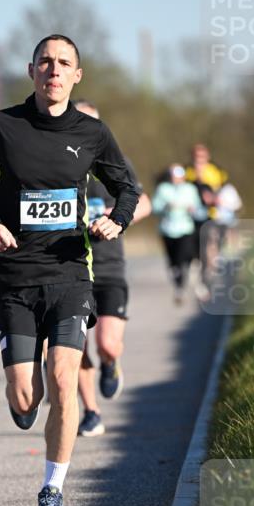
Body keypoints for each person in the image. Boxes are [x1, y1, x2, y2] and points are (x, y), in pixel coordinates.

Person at [0, 35, 139, 506]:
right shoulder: (2, 125)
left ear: (77, 75)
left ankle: (52, 489)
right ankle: (22, 394)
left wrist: (116, 221)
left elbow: (127, 187)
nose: (54, 70)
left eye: (64, 64)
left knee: (64, 381)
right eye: (46, 62)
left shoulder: (93, 132)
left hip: (69, 277)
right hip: (15, 277)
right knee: (26, 397)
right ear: (31, 70)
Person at [73, 99, 151, 438]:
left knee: (106, 343)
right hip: (72, 267)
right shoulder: (57, 165)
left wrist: (117, 219)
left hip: (109, 267)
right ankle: (90, 411)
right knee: (74, 345)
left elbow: (143, 202)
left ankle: (110, 362)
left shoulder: (116, 163)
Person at [152, 165, 202, 303]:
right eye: (174, 176)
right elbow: (154, 207)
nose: (176, 179)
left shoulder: (190, 189)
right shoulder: (163, 189)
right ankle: (179, 287)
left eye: (179, 176)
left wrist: (193, 209)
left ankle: (187, 287)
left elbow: (198, 207)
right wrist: (165, 207)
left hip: (185, 229)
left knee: (186, 259)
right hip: (167, 230)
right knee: (174, 263)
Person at [185, 143, 228, 298]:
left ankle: (209, 273)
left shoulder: (214, 172)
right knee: (195, 250)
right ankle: (198, 274)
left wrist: (214, 198)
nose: (199, 160)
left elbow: (221, 192)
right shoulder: (187, 172)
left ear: (207, 157)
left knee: (209, 245)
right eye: (196, 157)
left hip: (211, 215)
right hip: (191, 217)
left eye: (202, 156)